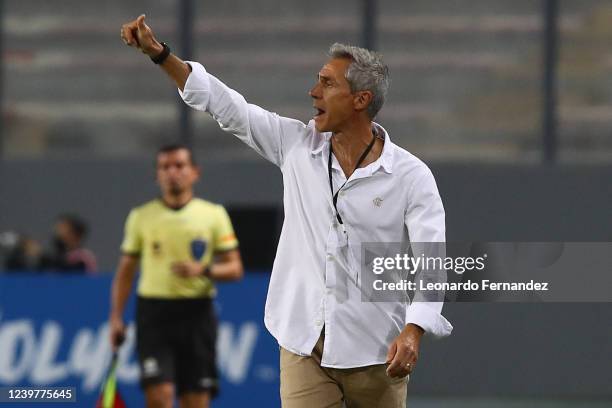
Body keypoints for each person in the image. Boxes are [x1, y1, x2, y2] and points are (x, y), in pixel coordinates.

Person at [120, 15, 452, 407]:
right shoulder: (296, 145)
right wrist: (161, 55)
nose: (313, 92)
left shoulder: (410, 176)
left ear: (361, 100)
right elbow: (228, 107)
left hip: (377, 348)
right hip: (302, 341)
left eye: (328, 83)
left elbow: (432, 261)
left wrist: (415, 329)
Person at [108, 143, 243, 408]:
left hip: (197, 315)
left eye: (179, 165)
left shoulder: (213, 215)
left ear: (195, 172)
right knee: (159, 397)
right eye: (165, 167)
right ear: (157, 175)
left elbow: (235, 268)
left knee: (196, 401)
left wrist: (203, 270)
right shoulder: (141, 217)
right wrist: (115, 318)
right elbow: (125, 272)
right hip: (154, 315)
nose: (172, 172)